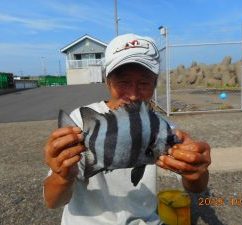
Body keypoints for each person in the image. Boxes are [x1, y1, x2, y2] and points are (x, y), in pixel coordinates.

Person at [43, 33, 211, 225]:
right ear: (108, 82)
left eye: (144, 83)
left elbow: (196, 187)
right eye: (123, 82)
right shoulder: (80, 123)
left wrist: (196, 172)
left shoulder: (165, 129)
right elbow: (52, 201)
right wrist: (62, 176)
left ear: (155, 84)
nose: (132, 94)